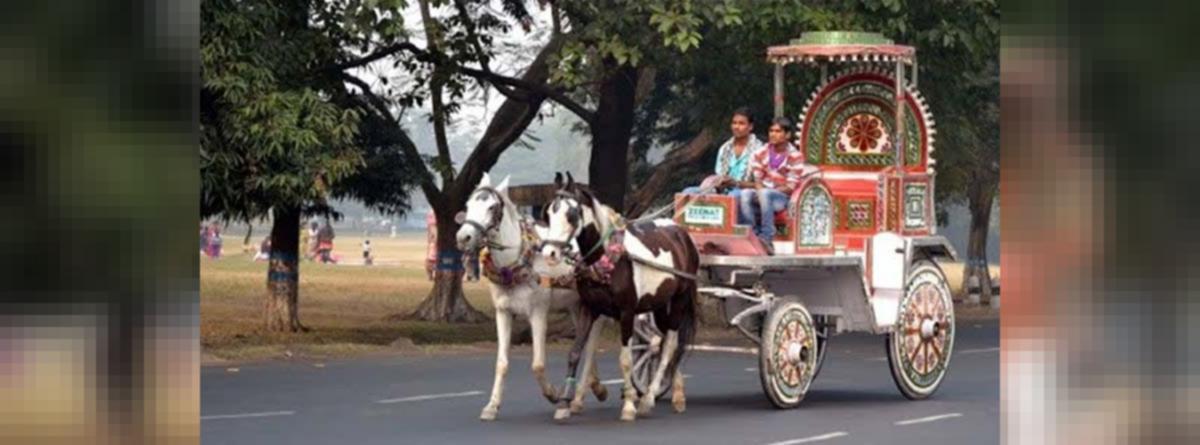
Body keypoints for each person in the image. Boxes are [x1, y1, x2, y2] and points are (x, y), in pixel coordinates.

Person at [741, 117, 814, 255]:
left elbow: (790, 186)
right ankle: (752, 234)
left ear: (787, 135)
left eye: (778, 131)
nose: (773, 134)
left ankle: (767, 237)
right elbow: (757, 179)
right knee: (745, 194)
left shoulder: (795, 156)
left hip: (782, 197)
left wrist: (765, 192)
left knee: (765, 194)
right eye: (771, 131)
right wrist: (760, 191)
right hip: (763, 191)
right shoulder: (760, 153)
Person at [682, 107, 764, 224]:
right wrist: (719, 182)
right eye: (734, 123)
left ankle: (741, 233)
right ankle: (692, 231)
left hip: (747, 194)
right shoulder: (725, 148)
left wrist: (736, 183)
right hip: (722, 190)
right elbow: (719, 175)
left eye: (741, 123)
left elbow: (762, 185)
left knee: (734, 195)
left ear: (750, 127)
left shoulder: (760, 150)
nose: (736, 127)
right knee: (688, 192)